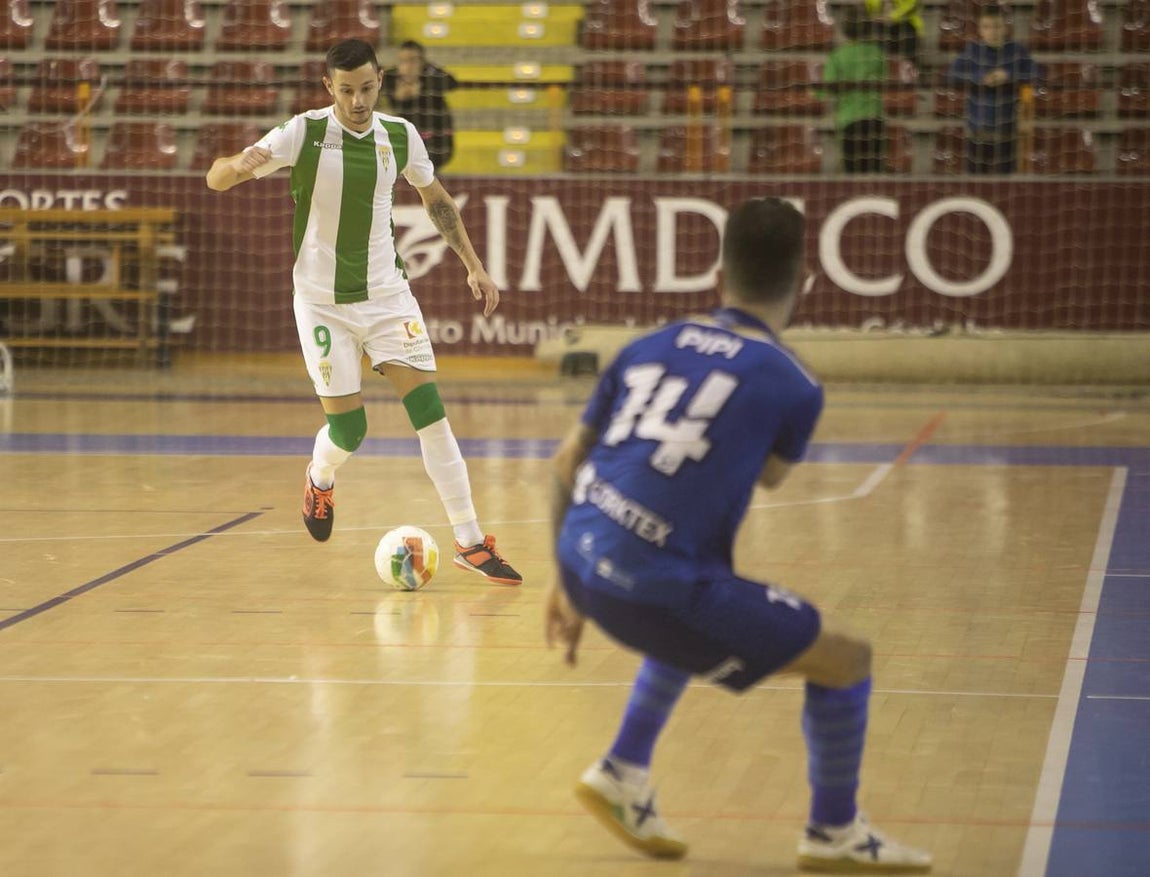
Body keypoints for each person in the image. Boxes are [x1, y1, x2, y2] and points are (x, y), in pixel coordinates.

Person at [544, 198, 932, 872]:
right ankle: (833, 830)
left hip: (579, 564)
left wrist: (564, 581)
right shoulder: (795, 384)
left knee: (699, 597)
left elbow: (563, 461)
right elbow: (774, 477)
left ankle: (623, 768)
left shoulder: (646, 344)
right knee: (846, 657)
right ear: (804, 280)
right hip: (653, 586)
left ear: (717, 274)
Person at [205, 38, 520, 586]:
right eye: (346, 90)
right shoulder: (302, 132)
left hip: (387, 298)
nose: (357, 100)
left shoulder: (400, 135)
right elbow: (217, 178)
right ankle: (320, 477)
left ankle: (470, 541)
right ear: (329, 87)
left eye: (367, 88)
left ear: (381, 82)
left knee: (432, 416)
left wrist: (473, 264)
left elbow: (437, 200)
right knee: (349, 432)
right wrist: (236, 163)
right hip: (322, 305)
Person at [947, 5, 1040, 174]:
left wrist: (1008, 75)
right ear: (980, 30)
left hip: (1007, 133)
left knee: (1005, 186)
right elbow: (952, 75)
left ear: (1005, 27)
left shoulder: (1017, 51)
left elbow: (1037, 74)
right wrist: (980, 78)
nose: (992, 31)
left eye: (997, 26)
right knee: (975, 185)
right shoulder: (972, 50)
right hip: (978, 133)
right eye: (987, 27)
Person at [821, 6, 887, 173]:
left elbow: (824, 90)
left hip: (849, 121)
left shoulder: (838, 55)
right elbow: (885, 81)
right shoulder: (877, 53)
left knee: (853, 174)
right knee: (875, 171)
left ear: (844, 30)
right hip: (875, 119)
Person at [382, 40, 458, 170]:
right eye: (403, 61)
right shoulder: (390, 77)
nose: (407, 66)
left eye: (412, 60)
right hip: (403, 143)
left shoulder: (433, 76)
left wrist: (422, 89)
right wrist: (396, 95)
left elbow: (452, 82)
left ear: (422, 62)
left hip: (435, 145)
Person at [864, 0, 922, 65]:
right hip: (881, 26)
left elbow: (913, 5)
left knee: (908, 61)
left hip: (907, 25)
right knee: (882, 60)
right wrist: (874, 16)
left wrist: (892, 17)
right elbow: (869, 8)